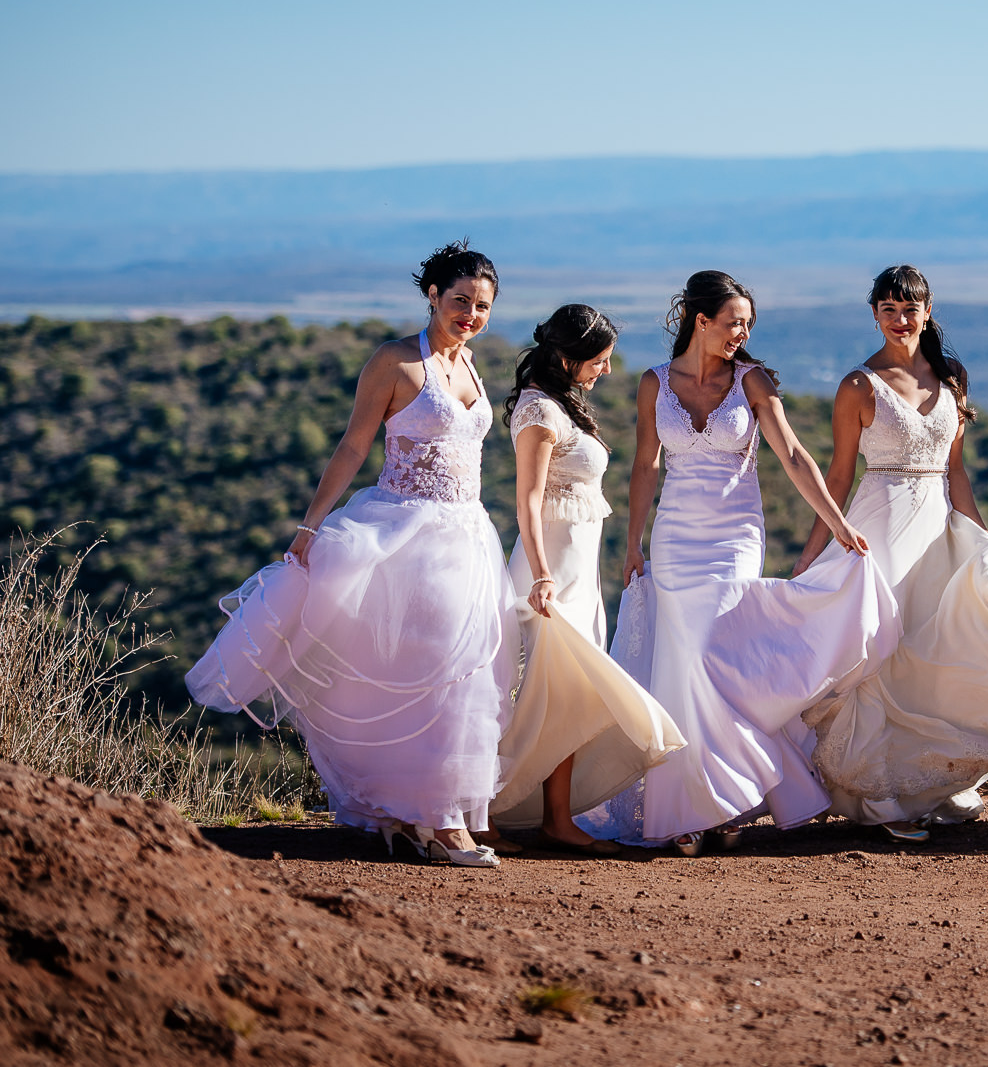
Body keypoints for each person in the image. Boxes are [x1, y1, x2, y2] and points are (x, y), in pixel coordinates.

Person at [188, 241, 512, 868]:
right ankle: (429, 821)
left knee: (464, 673)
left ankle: (431, 814)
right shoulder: (394, 362)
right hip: (402, 537)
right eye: (460, 301)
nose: (470, 314)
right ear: (432, 296)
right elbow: (352, 445)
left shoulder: (472, 366)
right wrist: (310, 525)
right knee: (412, 672)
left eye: (482, 306)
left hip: (467, 539)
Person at [594, 270, 893, 855]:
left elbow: (793, 454)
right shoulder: (655, 383)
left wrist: (837, 522)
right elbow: (644, 467)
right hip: (676, 536)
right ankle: (691, 807)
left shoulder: (752, 381)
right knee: (684, 664)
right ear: (700, 321)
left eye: (748, 324)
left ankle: (727, 798)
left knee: (715, 654)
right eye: (734, 322)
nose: (743, 332)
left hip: (735, 535)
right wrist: (633, 541)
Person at [789, 266, 988, 842]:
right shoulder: (858, 386)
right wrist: (815, 549)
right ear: (875, 315)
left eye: (909, 308)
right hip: (879, 521)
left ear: (927, 311)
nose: (899, 319)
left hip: (936, 524)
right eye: (887, 308)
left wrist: (981, 538)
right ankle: (877, 791)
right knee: (882, 650)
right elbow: (838, 474)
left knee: (941, 646)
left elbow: (956, 470)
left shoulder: (953, 376)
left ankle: (925, 782)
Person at [488, 305, 684, 855]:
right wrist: (543, 575)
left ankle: (556, 819)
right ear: (568, 358)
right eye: (599, 361)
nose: (606, 371)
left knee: (569, 696)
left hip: (580, 573)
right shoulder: (538, 411)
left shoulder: (565, 406)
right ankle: (483, 809)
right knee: (527, 695)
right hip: (549, 572)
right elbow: (527, 498)